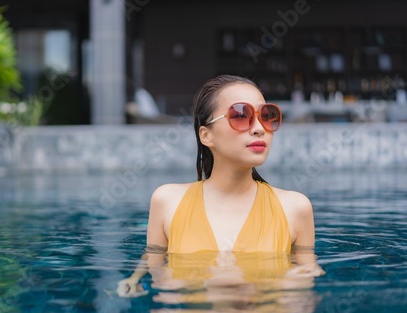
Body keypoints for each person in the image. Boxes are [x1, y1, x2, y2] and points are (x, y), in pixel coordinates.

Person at [118, 74, 323, 298]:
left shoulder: (295, 208)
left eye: (266, 116)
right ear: (206, 136)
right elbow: (154, 260)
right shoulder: (167, 201)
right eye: (241, 115)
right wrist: (134, 279)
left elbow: (305, 281)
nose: (259, 129)